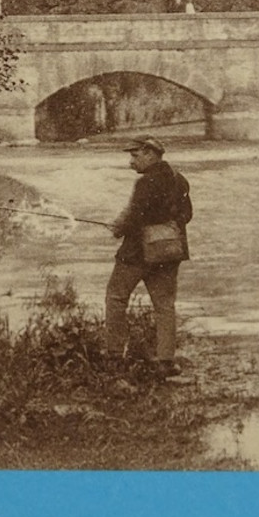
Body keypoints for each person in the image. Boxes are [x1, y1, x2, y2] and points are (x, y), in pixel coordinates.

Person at [105, 135, 192, 377]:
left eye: (135, 156)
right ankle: (166, 361)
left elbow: (136, 218)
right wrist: (164, 229)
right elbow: (187, 215)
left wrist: (118, 228)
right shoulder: (179, 179)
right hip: (169, 252)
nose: (130, 162)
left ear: (150, 154)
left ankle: (114, 357)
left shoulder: (145, 183)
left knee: (116, 298)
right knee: (165, 305)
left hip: (137, 254)